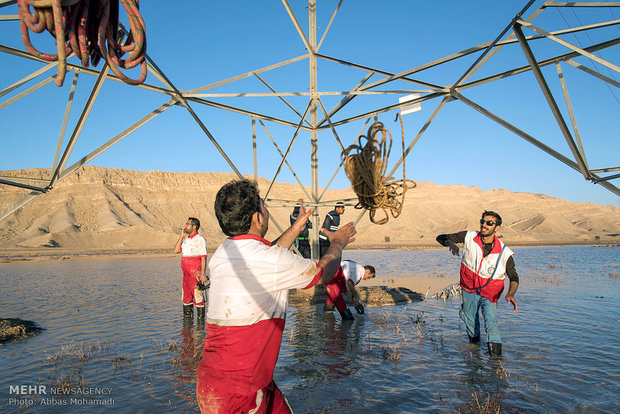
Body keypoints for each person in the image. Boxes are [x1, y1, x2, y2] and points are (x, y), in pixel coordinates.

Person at [196, 179, 356, 413]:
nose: (266, 212)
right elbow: (325, 272)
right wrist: (338, 243)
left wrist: (297, 227)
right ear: (257, 218)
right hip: (242, 394)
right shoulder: (268, 261)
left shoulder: (224, 252)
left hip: (220, 382)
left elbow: (267, 256)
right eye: (263, 207)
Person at [436, 211, 519, 357]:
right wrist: (451, 243)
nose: (484, 225)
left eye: (489, 223)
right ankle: (474, 355)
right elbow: (441, 237)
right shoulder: (469, 237)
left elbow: (513, 276)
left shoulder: (505, 253)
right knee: (470, 320)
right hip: (469, 290)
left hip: (490, 294)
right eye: (482, 221)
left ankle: (495, 364)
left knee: (491, 323)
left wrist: (510, 294)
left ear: (497, 227)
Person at [173, 217, 208, 319]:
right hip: (186, 276)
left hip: (195, 275)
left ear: (194, 227)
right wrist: (181, 237)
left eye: (187, 224)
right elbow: (176, 250)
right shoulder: (186, 240)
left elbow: (203, 258)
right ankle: (187, 327)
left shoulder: (200, 239)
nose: (185, 226)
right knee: (186, 298)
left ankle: (200, 328)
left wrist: (202, 274)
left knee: (198, 298)